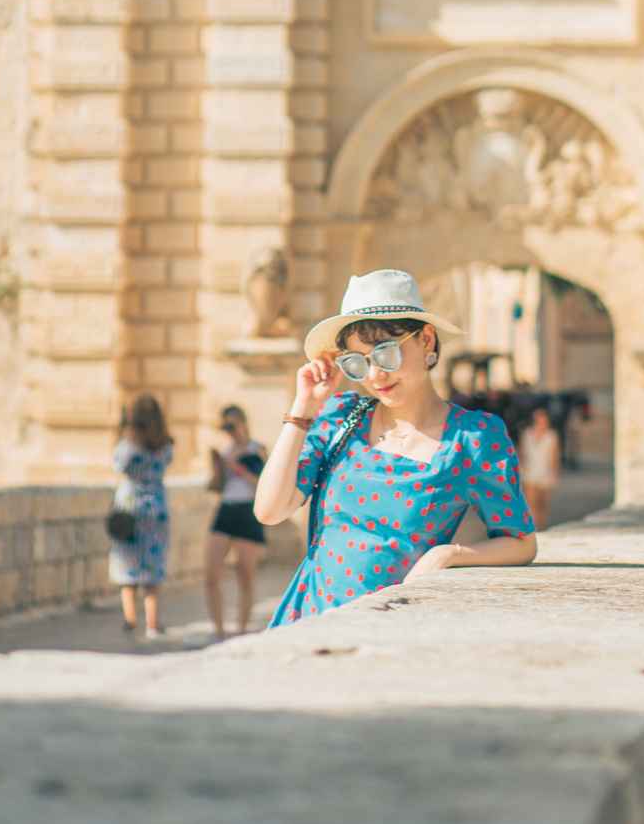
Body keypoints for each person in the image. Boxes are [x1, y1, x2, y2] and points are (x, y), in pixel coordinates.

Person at [254, 268, 538, 627]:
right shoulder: (339, 419)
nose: (375, 376)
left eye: (386, 354)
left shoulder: (473, 438)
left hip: (393, 628)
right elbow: (269, 510)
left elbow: (521, 542)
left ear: (427, 341)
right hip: (308, 621)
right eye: (357, 363)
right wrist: (303, 410)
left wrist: (448, 554)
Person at [109, 394, 174, 640]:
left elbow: (118, 465)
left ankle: (130, 619)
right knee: (152, 569)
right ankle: (153, 623)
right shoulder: (165, 446)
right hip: (156, 507)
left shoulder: (128, 447)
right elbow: (168, 459)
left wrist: (126, 436)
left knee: (127, 566)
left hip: (130, 508)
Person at [206, 403, 268, 640]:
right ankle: (218, 630)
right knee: (211, 574)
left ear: (243, 422)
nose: (230, 430)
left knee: (245, 575)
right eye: (226, 425)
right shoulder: (224, 450)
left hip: (248, 510)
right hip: (226, 509)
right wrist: (218, 466)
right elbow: (215, 486)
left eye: (233, 424)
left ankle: (241, 630)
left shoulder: (257, 449)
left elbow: (263, 484)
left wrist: (238, 466)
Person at [518, 403, 561, 530]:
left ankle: (541, 527)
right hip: (529, 473)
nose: (541, 422)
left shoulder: (551, 436)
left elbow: (555, 456)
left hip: (546, 474)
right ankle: (534, 529)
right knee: (531, 504)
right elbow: (522, 453)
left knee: (543, 504)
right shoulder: (527, 434)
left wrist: (555, 473)